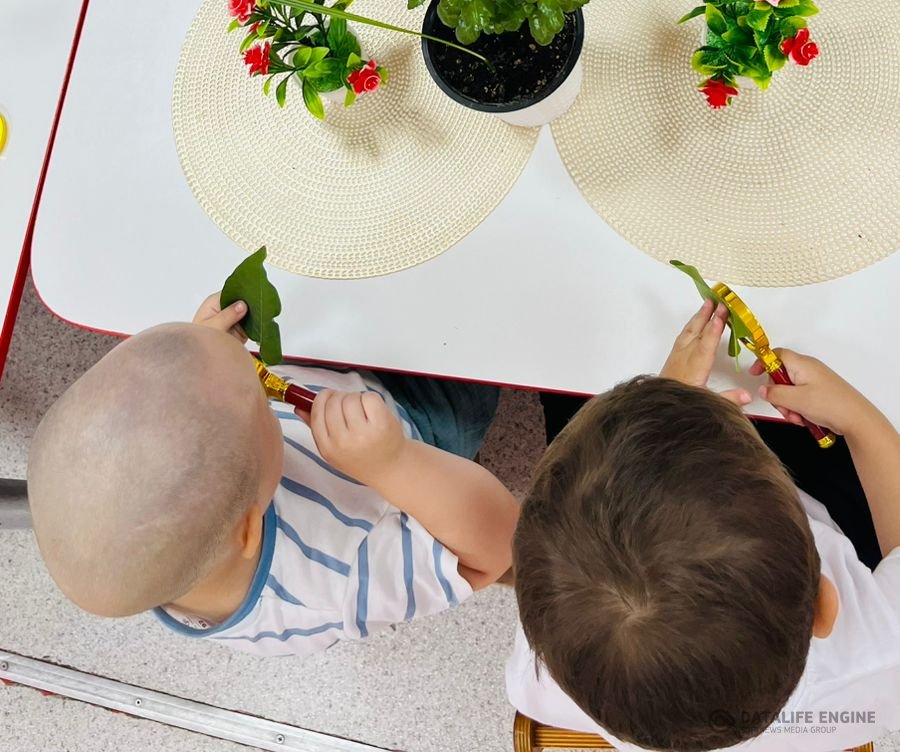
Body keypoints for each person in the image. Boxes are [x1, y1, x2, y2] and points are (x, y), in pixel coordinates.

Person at [509, 300, 900, 751]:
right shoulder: (883, 656)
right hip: (824, 508)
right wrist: (857, 417)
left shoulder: (549, 677)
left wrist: (659, 410)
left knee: (569, 395)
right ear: (824, 606)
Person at [28, 294, 516, 653]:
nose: (256, 382)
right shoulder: (336, 581)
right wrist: (394, 463)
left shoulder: (175, 555)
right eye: (257, 405)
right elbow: (495, 549)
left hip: (335, 370)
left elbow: (167, 430)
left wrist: (203, 354)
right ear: (248, 527)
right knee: (487, 305)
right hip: (420, 427)